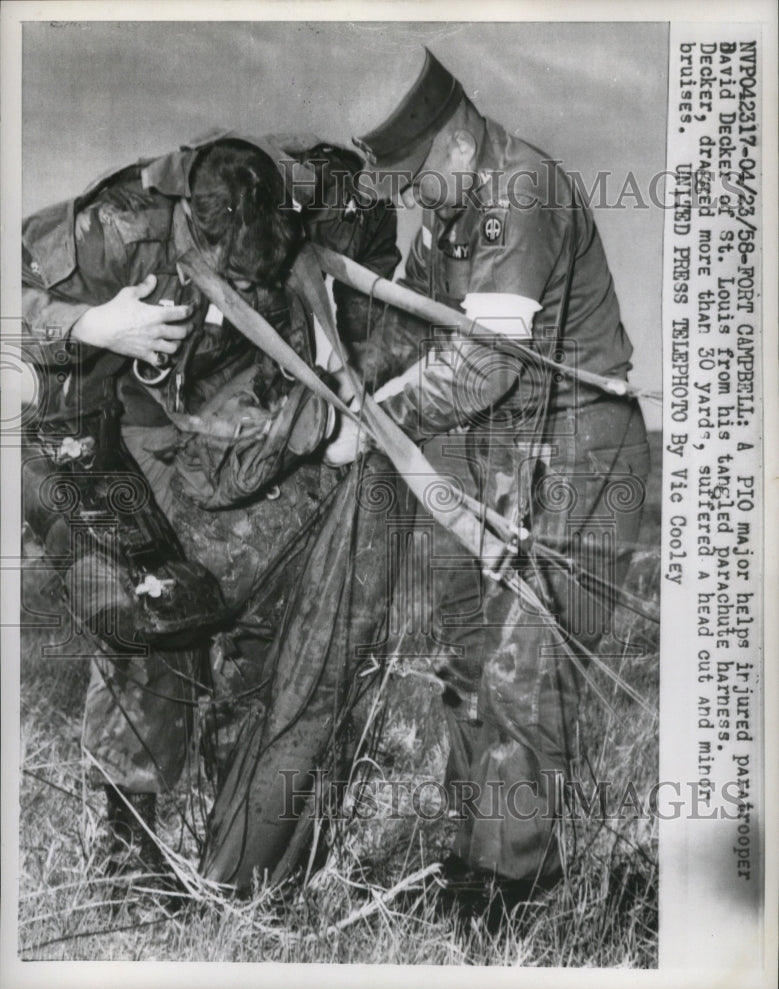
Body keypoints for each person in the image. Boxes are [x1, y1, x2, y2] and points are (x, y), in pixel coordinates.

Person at [21, 132, 406, 888]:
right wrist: (92, 325)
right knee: (154, 620)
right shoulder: (126, 224)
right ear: (195, 226)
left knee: (274, 634)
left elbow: (373, 300)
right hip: (126, 442)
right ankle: (128, 857)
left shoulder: (319, 207)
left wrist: (344, 401)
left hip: (250, 449)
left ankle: (243, 864)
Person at [322, 47, 652, 898]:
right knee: (466, 662)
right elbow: (409, 328)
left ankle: (514, 893)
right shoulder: (450, 210)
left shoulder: (520, 196)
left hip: (580, 456)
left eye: (406, 177)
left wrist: (373, 419)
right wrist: (333, 354)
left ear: (457, 144)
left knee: (521, 675)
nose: (400, 199)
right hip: (496, 453)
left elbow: (478, 368)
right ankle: (476, 861)